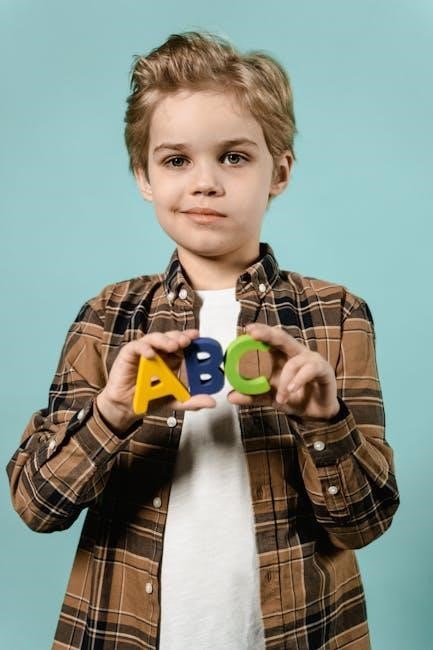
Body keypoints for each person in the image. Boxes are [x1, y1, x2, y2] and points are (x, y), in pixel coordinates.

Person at [6, 31, 399, 650]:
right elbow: (37, 505)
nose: (206, 182)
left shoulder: (336, 315)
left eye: (234, 157)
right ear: (144, 176)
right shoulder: (108, 317)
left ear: (280, 172)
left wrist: (324, 420)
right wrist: (112, 412)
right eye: (176, 161)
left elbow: (364, 523)